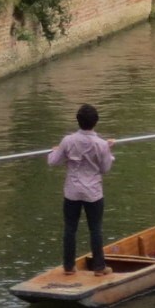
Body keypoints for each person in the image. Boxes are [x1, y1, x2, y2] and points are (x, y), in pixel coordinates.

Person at [48, 104, 115, 274]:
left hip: (72, 191)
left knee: (70, 229)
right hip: (93, 193)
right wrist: (108, 151)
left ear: (78, 121)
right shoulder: (101, 144)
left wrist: (54, 151)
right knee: (95, 229)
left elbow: (53, 162)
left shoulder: (67, 141)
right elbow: (105, 169)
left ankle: (69, 267)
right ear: (96, 122)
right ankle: (99, 267)